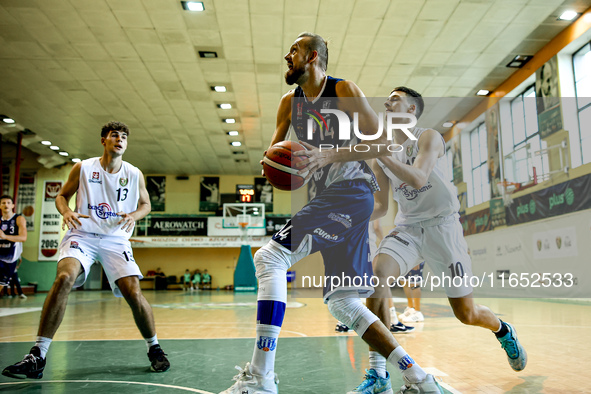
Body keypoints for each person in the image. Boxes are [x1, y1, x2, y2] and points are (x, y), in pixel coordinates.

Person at [221, 32, 431, 394]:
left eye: (295, 50)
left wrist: (328, 154)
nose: (287, 56)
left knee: (269, 259)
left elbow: (382, 141)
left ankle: (260, 379)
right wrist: (275, 164)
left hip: (352, 190)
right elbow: (276, 151)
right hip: (334, 197)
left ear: (313, 56)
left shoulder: (344, 90)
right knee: (344, 302)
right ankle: (417, 377)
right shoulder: (290, 103)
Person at [351, 87, 527, 392]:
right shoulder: (382, 152)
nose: (386, 104)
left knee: (466, 314)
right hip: (408, 227)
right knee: (377, 276)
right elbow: (380, 205)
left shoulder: (428, 137)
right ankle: (378, 373)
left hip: (443, 228)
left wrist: (380, 154)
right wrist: (350, 218)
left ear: (411, 112)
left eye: (394, 100)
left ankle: (503, 331)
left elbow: (418, 178)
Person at [2, 121, 170, 379]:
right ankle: (38, 354)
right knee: (64, 278)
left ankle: (155, 348)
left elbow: (146, 204)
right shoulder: (82, 167)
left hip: (116, 238)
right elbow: (60, 196)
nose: (120, 139)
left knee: (133, 292)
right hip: (82, 234)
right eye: (115, 135)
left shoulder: (134, 173)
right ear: (104, 140)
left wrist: (135, 215)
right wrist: (67, 210)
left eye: (124, 136)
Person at [0, 195, 27, 297]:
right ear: (0, 206)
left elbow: (23, 238)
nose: (6, 205)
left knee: (2, 284)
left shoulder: (19, 219)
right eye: (3, 203)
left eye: (8, 203)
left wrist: (5, 236)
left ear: (12, 205)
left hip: (10, 258)